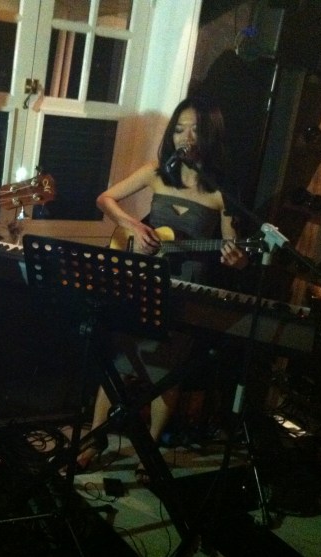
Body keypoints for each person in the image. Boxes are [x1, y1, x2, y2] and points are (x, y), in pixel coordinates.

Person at [78, 96, 248, 470]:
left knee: (167, 372)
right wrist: (133, 227)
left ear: (211, 136)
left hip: (186, 290)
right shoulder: (156, 172)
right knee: (120, 359)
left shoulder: (221, 192)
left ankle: (149, 449)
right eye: (179, 129)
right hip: (143, 280)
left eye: (195, 130)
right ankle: (94, 439)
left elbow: (233, 249)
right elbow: (105, 199)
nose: (185, 137)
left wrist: (237, 257)